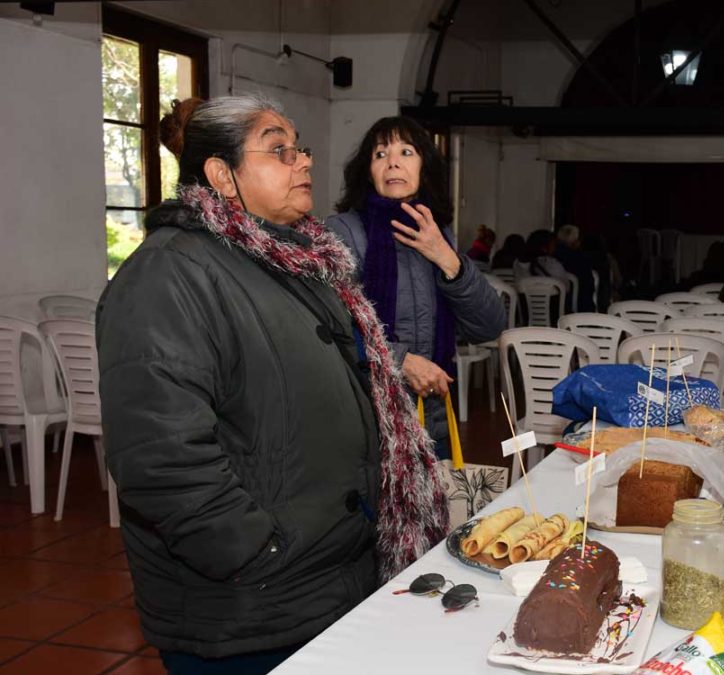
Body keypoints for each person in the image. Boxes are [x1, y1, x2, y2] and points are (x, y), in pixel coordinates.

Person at [97, 96, 449, 675]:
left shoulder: (290, 260)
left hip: (324, 579)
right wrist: (258, 551)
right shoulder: (169, 274)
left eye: (301, 148)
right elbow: (159, 457)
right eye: (278, 150)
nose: (303, 162)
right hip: (248, 605)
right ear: (222, 175)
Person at [327, 117, 504, 457]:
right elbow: (329, 329)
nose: (392, 161)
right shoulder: (342, 233)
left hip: (430, 419)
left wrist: (446, 258)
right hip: (365, 419)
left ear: (425, 168)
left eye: (406, 152)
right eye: (380, 154)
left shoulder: (439, 234)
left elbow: (489, 326)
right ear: (369, 171)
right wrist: (402, 361)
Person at [554, 224, 596, 312]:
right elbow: (588, 286)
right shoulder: (580, 260)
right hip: (578, 305)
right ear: (575, 241)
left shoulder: (551, 257)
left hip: (553, 305)